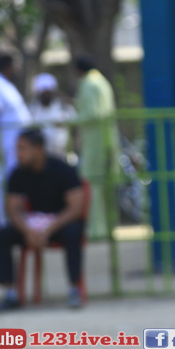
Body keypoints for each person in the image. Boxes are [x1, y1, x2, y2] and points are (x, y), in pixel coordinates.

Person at [0, 128, 86, 310]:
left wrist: (49, 229)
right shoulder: (17, 173)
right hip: (32, 226)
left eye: (22, 148)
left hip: (59, 224)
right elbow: (12, 209)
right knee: (3, 234)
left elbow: (76, 208)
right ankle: (10, 293)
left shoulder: (63, 170)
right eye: (17, 149)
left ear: (38, 149)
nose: (18, 154)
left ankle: (74, 289)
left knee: (74, 232)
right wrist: (28, 231)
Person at [0, 54, 32, 226]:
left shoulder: (4, 84)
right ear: (8, 66)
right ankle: (4, 225)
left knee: (17, 186)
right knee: (5, 187)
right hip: (5, 147)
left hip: (16, 147)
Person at [73, 56, 118, 239]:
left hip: (94, 142)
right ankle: (107, 228)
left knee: (92, 185)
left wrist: (70, 120)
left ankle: (96, 230)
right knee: (104, 186)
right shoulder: (102, 82)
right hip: (107, 140)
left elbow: (93, 114)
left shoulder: (89, 84)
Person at [27, 72, 76, 159]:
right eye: (43, 93)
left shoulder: (64, 108)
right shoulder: (32, 110)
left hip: (61, 154)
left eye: (48, 92)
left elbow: (75, 126)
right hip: (40, 157)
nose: (46, 96)